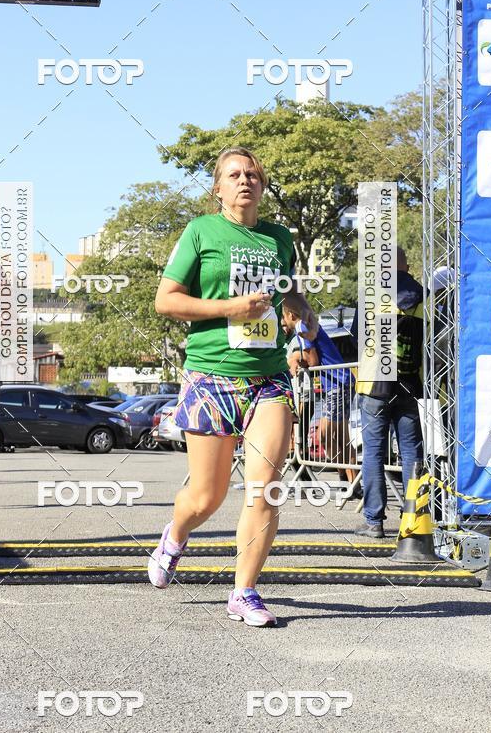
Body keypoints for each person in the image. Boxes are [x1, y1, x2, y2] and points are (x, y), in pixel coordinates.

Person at [149, 147, 295, 627]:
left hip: (269, 377)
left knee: (265, 487)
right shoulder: (200, 232)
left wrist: (300, 308)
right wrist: (230, 309)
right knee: (206, 497)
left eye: (253, 173)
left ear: (263, 183)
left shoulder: (279, 238)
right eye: (234, 175)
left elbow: (286, 290)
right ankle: (176, 534)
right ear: (218, 188)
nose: (244, 180)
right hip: (211, 374)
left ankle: (245, 591)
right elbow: (165, 301)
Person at [351, 246, 425, 538]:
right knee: (411, 452)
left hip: (374, 385)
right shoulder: (424, 296)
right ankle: (415, 519)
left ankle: (374, 521)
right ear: (406, 266)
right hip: (408, 384)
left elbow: (358, 335)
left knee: (374, 453)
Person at [281, 292, 357, 488]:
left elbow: (313, 361)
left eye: (283, 316)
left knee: (332, 436)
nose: (283, 322)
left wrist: (295, 359)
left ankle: (352, 482)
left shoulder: (300, 327)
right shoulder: (305, 325)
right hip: (336, 383)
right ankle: (348, 479)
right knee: (332, 437)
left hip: (337, 383)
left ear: (290, 315)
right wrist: (298, 356)